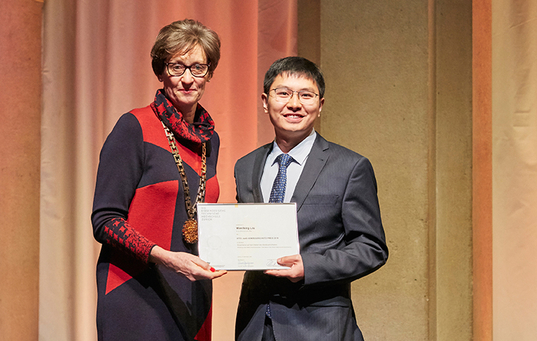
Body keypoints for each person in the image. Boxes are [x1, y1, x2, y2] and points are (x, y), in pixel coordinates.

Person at [234, 56, 389, 340]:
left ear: (320, 105)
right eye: (283, 93)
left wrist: (310, 266)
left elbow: (372, 248)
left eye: (306, 95)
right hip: (256, 323)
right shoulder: (245, 166)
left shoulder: (349, 167)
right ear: (266, 101)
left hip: (319, 326)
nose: (294, 104)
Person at [91, 19, 227, 341]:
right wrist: (165, 258)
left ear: (209, 73)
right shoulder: (134, 127)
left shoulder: (211, 140)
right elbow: (105, 220)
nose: (187, 79)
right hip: (135, 289)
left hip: (192, 291)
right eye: (177, 66)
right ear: (161, 70)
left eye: (198, 68)